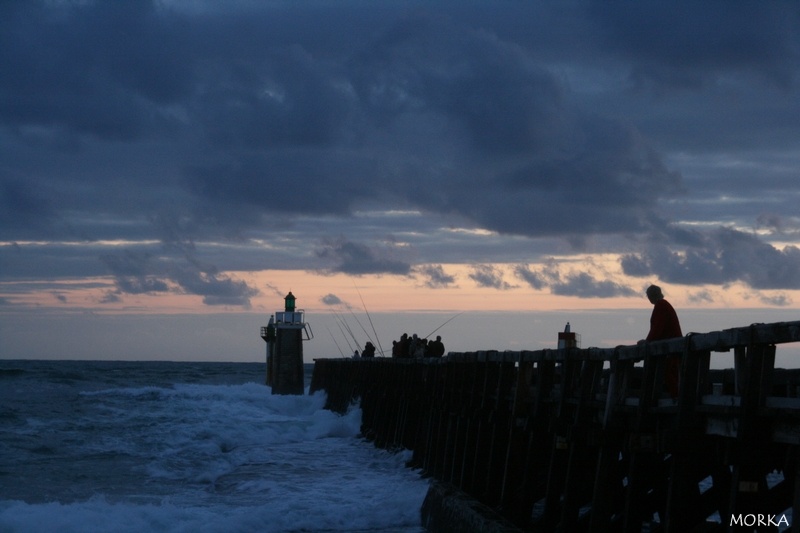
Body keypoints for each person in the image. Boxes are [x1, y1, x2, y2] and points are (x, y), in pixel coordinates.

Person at [644, 284, 683, 397]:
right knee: (672, 373)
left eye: (649, 296)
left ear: (651, 296)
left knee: (669, 372)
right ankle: (676, 397)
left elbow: (657, 328)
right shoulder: (664, 305)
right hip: (672, 346)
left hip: (671, 348)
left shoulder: (661, 305)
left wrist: (646, 342)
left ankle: (677, 398)